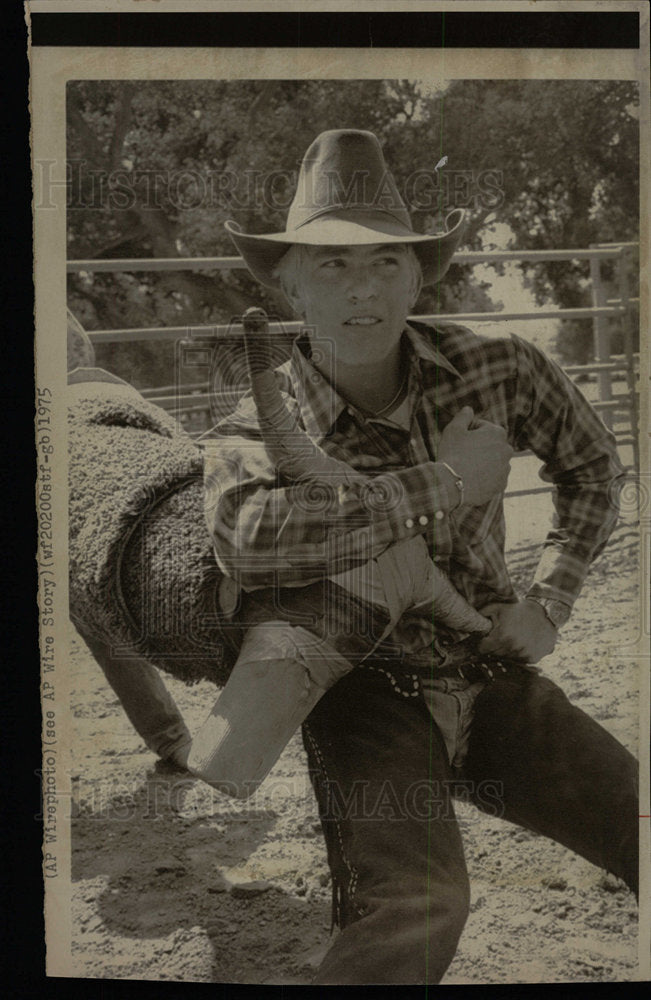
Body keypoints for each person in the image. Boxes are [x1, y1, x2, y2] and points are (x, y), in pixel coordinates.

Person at [201, 129, 639, 985]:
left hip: (488, 661)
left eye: (386, 263)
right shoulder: (261, 416)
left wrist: (549, 600)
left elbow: (591, 463)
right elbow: (247, 541)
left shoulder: (499, 367)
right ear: (286, 280)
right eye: (329, 265)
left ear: (419, 274)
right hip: (363, 689)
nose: (361, 287)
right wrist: (445, 481)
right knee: (420, 905)